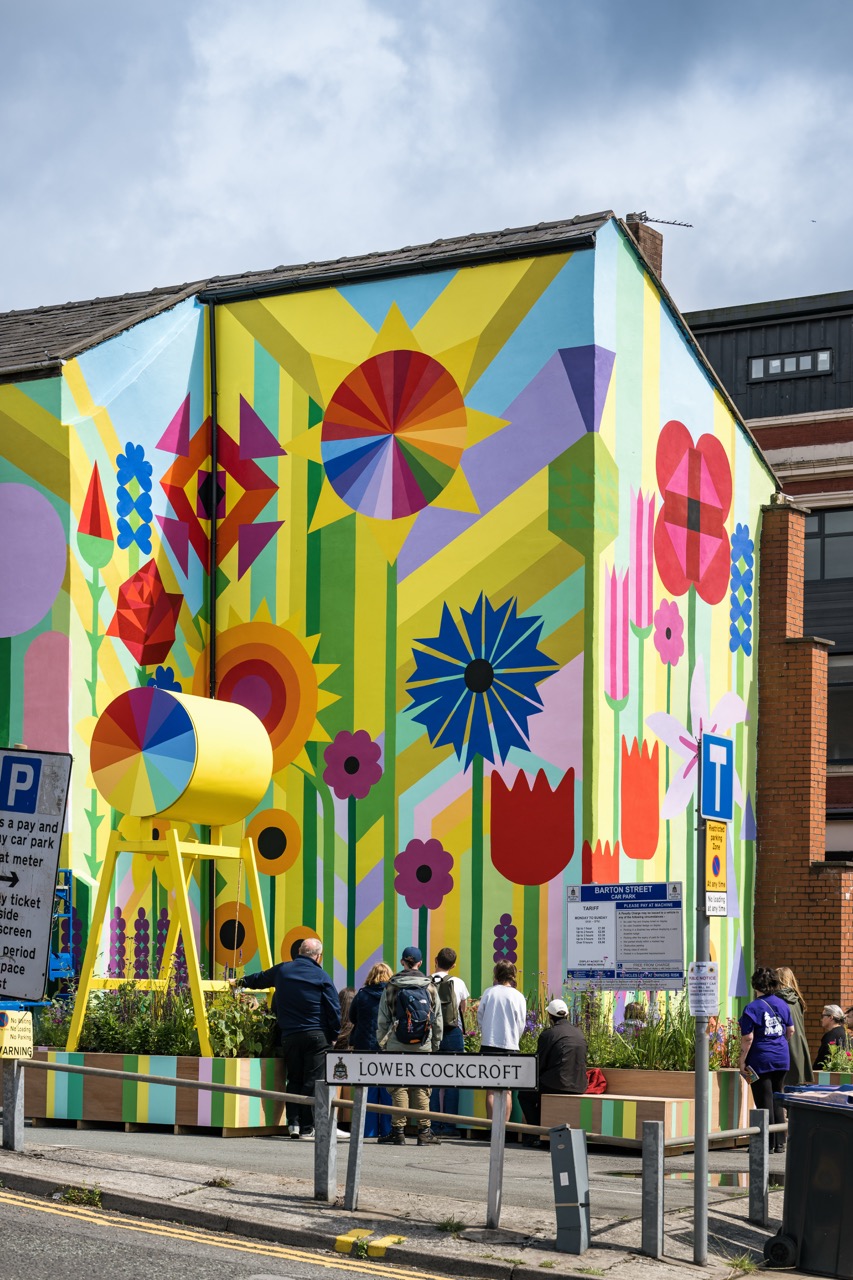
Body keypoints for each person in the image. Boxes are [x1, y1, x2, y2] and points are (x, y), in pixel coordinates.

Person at [233, 937, 342, 1140]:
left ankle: (293, 1124)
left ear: (299, 952)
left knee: (294, 1078)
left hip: (290, 1035)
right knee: (312, 1080)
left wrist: (237, 982)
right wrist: (334, 1035)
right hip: (316, 1035)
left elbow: (259, 979)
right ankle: (308, 1127)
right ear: (318, 956)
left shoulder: (283, 970)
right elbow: (334, 1008)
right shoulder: (321, 976)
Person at [377, 945, 443, 1146]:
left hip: (397, 1044)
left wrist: (383, 1043)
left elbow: (383, 1019)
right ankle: (424, 1132)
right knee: (422, 1088)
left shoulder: (392, 986)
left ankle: (398, 1132)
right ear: (420, 963)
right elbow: (437, 1019)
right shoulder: (429, 987)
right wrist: (435, 1043)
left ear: (402, 962)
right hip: (423, 1044)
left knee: (399, 1087)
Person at [738, 967, 794, 1154]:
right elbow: (791, 1030)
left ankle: (766, 1143)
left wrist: (742, 1060)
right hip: (781, 1057)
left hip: (760, 1059)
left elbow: (748, 1038)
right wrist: (780, 1044)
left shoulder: (752, 1008)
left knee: (763, 1100)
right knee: (777, 1097)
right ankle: (780, 1142)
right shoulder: (783, 1004)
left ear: (755, 985)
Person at [519, 998, 587, 1139]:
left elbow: (539, 1062)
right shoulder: (579, 1033)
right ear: (567, 1014)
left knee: (524, 1095)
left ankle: (536, 1134)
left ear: (549, 1015)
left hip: (557, 1084)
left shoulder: (548, 1034)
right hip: (579, 1084)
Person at [477, 960, 527, 1123]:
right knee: (507, 1091)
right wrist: (514, 1038)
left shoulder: (489, 993)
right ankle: (503, 1128)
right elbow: (521, 1023)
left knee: (491, 1090)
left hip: (489, 1044)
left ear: (496, 974)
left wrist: (486, 1032)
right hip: (510, 1045)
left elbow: (480, 1017)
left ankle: (492, 1127)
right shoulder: (518, 996)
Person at [349, 962, 394, 1139]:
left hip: (364, 1046)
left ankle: (368, 1130)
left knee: (367, 1088)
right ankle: (388, 1129)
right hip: (387, 1046)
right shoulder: (393, 994)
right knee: (387, 1089)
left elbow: (352, 1017)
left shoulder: (362, 995)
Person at [430, 946, 469, 1136]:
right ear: (453, 965)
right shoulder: (458, 982)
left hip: (432, 1034)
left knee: (433, 1081)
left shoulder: (427, 981)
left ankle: (433, 1125)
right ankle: (450, 1126)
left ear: (435, 960)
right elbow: (464, 1008)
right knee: (453, 1081)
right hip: (453, 1033)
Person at [775, 967, 813, 1085]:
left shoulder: (777, 1000)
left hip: (785, 1045)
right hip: (799, 1045)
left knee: (780, 1087)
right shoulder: (797, 999)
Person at [813, 1005, 849, 1070]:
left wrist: (813, 1072)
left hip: (829, 1073)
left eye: (823, 1016)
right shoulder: (845, 1033)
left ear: (831, 1017)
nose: (821, 1019)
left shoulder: (830, 1036)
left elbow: (823, 1058)